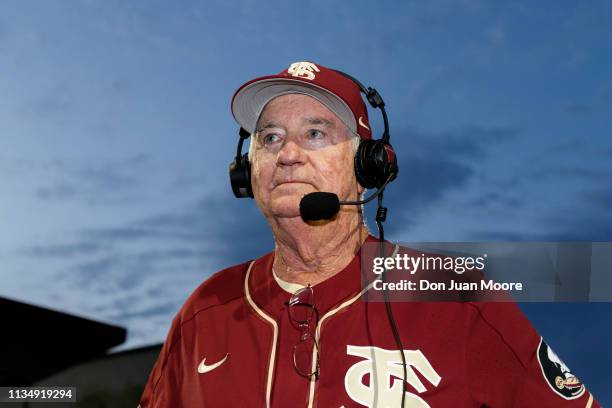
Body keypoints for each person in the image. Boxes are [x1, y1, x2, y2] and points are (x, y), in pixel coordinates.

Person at [138, 61, 600, 407]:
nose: (288, 153)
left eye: (316, 133)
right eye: (270, 137)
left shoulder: (455, 294)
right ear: (247, 170)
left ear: (368, 167)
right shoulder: (206, 309)